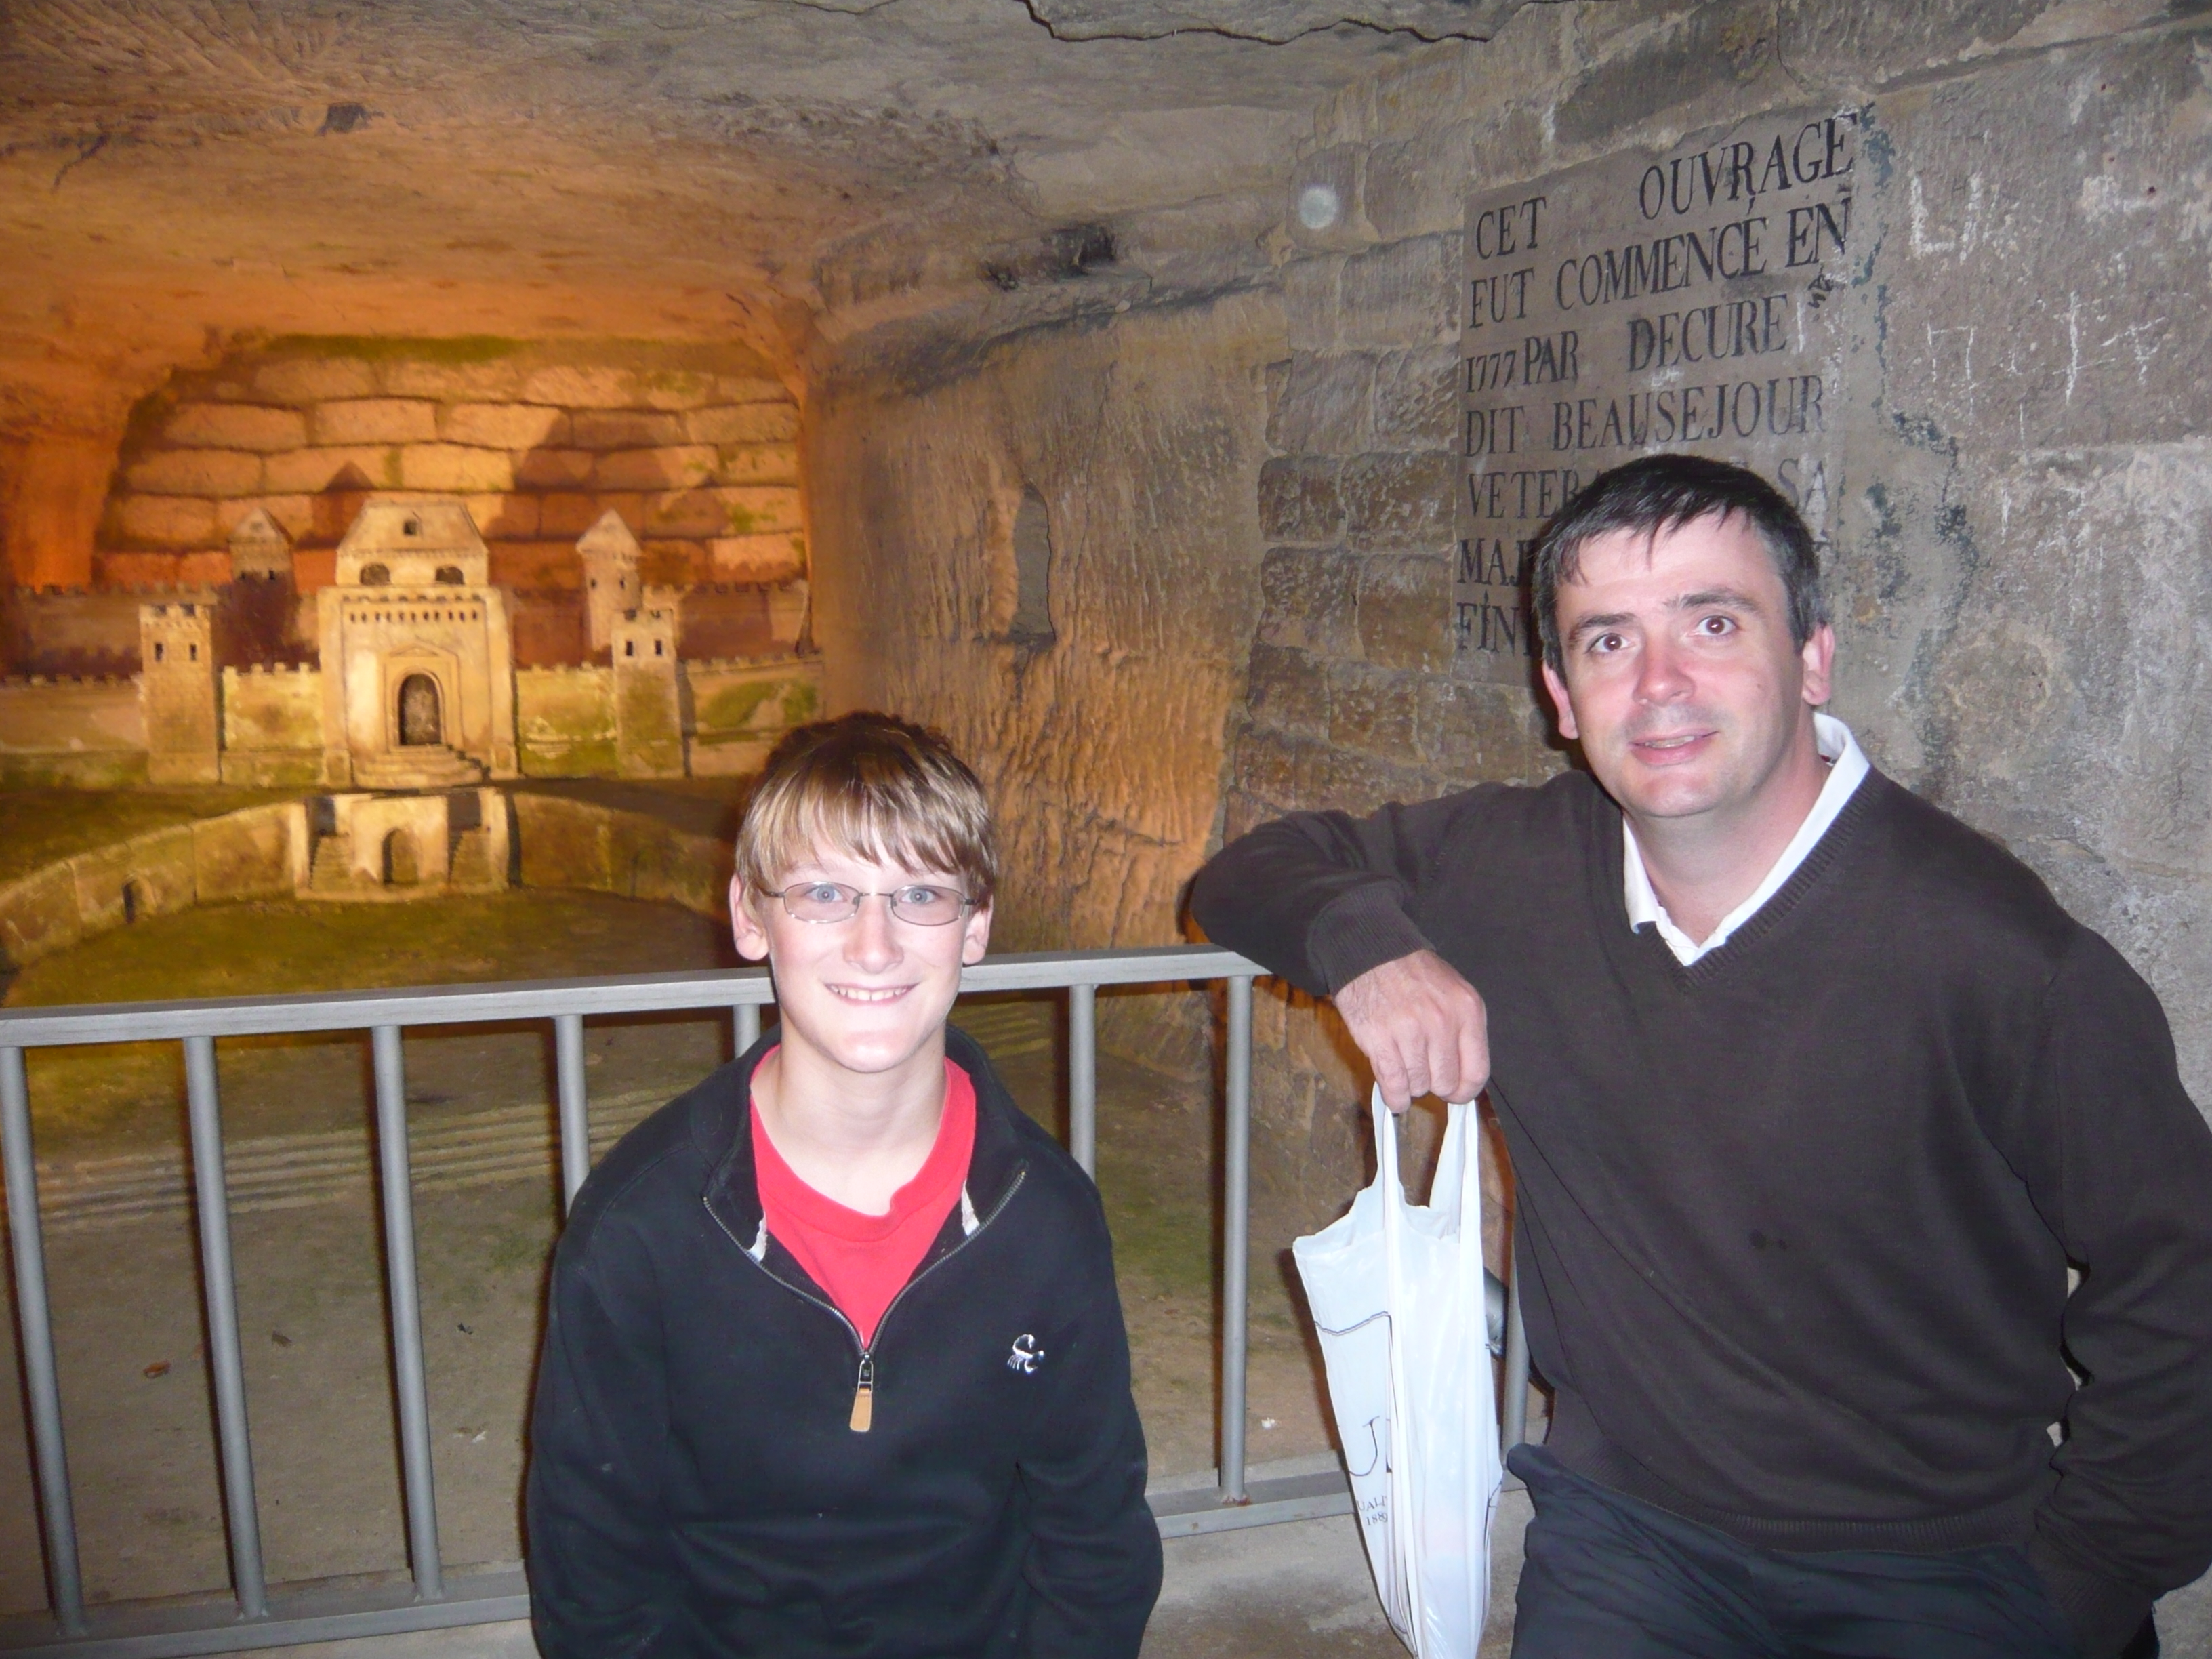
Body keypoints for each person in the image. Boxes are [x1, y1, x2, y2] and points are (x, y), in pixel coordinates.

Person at [1191, 455, 2212, 1659]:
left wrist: (2090, 1579)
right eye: (1608, 641)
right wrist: (1369, 948)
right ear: (1561, 696)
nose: (1659, 684)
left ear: (1813, 658)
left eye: (1712, 623)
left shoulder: (1993, 953)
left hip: (1939, 1557)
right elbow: (1245, 872)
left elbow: (2182, 1268)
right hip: (1631, 1537)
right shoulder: (1514, 865)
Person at [527, 711, 1162, 1658]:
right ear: (751, 917)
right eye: (825, 893)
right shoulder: (640, 1228)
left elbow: (1094, 1538)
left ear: (976, 926)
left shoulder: (1047, 1218)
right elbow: (594, 1570)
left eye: (921, 895)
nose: (874, 946)